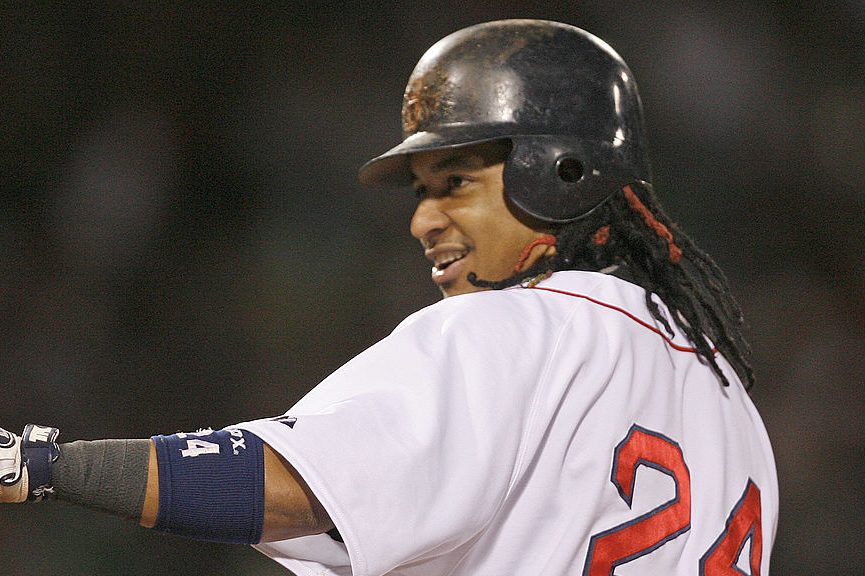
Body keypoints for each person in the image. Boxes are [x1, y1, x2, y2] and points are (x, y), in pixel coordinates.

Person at [0, 19, 778, 575]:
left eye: (455, 184)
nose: (422, 220)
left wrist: (38, 464)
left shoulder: (512, 330)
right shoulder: (731, 407)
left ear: (559, 171)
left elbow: (290, 485)